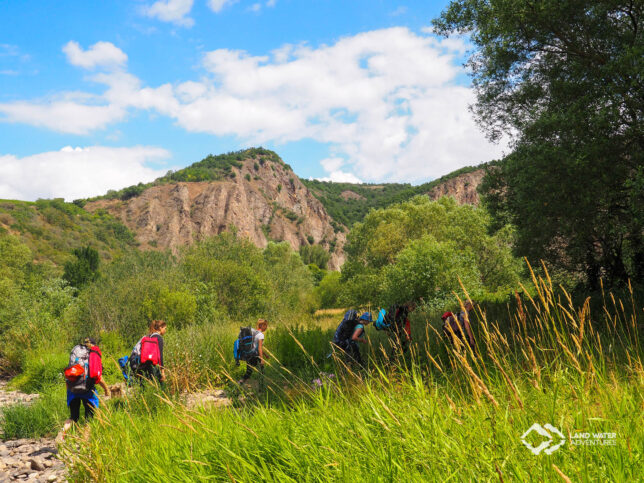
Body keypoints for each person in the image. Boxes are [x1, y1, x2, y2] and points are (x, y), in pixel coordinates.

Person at [65, 338, 109, 424]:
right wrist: (106, 389)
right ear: (93, 345)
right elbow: (97, 375)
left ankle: (61, 435)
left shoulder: (77, 353)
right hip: (87, 389)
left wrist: (69, 390)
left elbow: (69, 372)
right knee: (89, 419)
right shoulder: (92, 355)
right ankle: (85, 437)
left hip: (72, 389)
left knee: (73, 417)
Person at [137, 320, 167, 385]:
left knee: (145, 386)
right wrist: (162, 372)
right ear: (160, 328)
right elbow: (160, 356)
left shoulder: (148, 336)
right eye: (165, 328)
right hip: (153, 366)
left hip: (144, 365)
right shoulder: (159, 338)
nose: (165, 330)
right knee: (160, 386)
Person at [238, 319, 268, 385]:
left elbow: (254, 345)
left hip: (249, 355)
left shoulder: (253, 333)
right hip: (256, 356)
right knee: (261, 372)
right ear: (262, 325)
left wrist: (265, 354)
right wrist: (262, 359)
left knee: (248, 373)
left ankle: (237, 386)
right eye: (266, 326)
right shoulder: (261, 335)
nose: (266, 327)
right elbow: (259, 347)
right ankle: (261, 390)